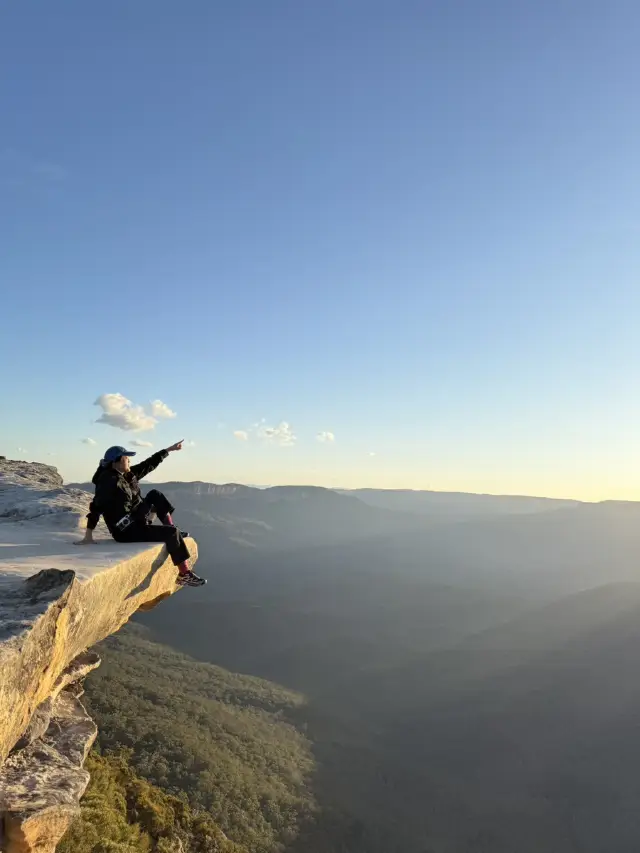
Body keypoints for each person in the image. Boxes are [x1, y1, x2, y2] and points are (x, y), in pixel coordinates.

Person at [78, 441, 206, 587]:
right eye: (127, 459)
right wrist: (88, 535)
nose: (129, 461)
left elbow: (148, 465)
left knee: (155, 495)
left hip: (136, 519)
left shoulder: (126, 474)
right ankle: (184, 574)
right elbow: (96, 507)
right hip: (125, 531)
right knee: (172, 533)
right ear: (117, 462)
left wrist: (168, 450)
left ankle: (172, 530)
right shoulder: (108, 482)